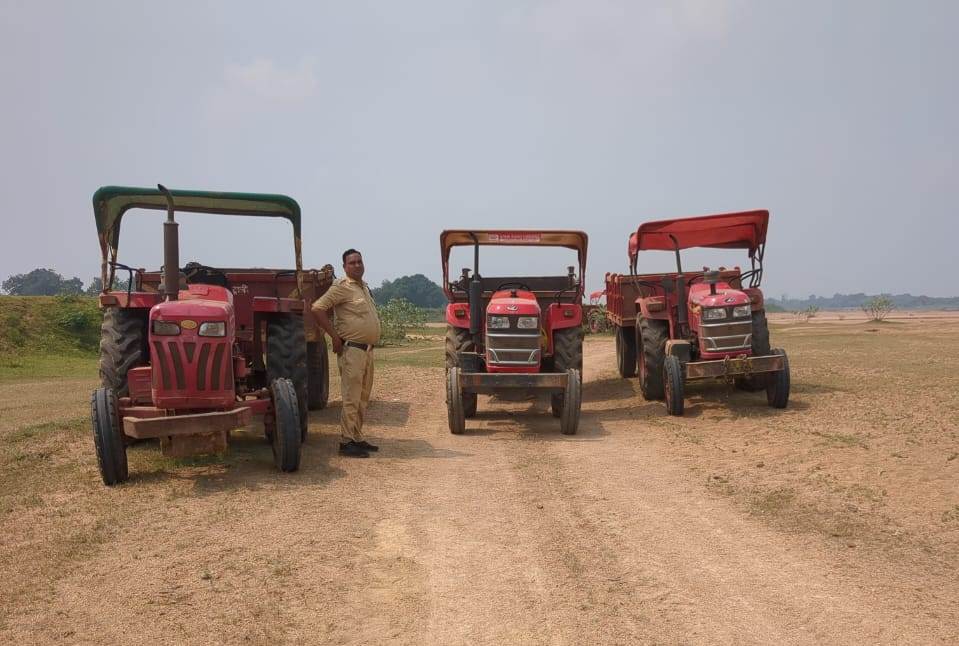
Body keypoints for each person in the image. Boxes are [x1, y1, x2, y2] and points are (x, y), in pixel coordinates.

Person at [311, 249, 382, 458]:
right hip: (352, 350)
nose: (357, 265)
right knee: (351, 397)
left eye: (360, 261)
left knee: (362, 397)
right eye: (352, 263)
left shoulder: (364, 287)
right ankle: (346, 441)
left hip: (367, 351)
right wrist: (333, 336)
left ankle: (357, 437)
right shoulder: (341, 287)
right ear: (344, 267)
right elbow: (317, 308)